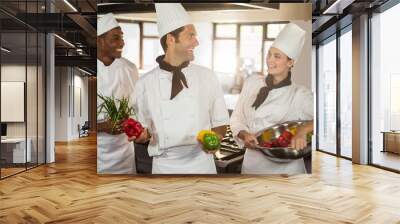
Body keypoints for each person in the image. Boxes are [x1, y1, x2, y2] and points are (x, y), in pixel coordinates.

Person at [132, 3, 229, 174]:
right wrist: (141, 136)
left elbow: (220, 123)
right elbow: (143, 129)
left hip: (202, 165)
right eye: (190, 36)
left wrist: (215, 139)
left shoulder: (207, 76)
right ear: (171, 39)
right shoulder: (144, 84)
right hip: (164, 167)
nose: (197, 42)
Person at [230, 23, 314, 175]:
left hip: (286, 172)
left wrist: (303, 130)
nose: (270, 60)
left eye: (277, 56)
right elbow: (237, 118)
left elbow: (327, 119)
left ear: (290, 62)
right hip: (251, 167)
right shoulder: (252, 82)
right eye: (269, 54)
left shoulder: (299, 94)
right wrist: (244, 134)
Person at [97, 13, 139, 174]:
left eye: (122, 37)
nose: (122, 42)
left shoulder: (130, 68)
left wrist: (134, 124)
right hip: (99, 153)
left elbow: (138, 105)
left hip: (125, 153)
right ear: (99, 41)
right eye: (115, 38)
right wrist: (102, 126)